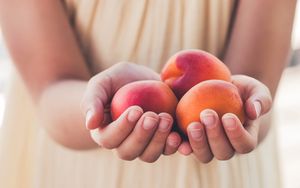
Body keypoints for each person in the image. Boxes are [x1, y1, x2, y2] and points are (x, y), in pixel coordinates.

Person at [0, 0, 296, 187]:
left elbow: (255, 84)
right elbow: (51, 86)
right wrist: (102, 110)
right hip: (72, 170)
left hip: (221, 172)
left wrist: (248, 112)